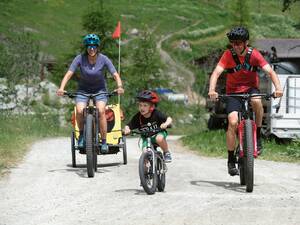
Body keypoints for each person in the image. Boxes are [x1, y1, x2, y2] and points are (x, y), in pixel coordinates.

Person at [208, 26, 283, 176]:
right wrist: (212, 90)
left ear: (246, 43)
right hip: (233, 93)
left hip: (250, 89)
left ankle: (258, 134)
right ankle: (230, 159)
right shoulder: (228, 55)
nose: (236, 46)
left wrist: (278, 88)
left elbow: (270, 71)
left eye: (239, 43)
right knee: (233, 121)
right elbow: (216, 73)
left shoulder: (254, 54)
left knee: (256, 102)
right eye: (233, 43)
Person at [57, 33, 124, 153]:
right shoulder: (80, 58)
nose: (91, 49)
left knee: (101, 111)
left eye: (94, 46)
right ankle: (82, 136)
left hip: (100, 91)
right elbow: (69, 74)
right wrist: (61, 88)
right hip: (83, 90)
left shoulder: (103, 59)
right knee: (79, 110)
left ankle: (103, 141)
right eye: (89, 46)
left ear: (97, 47)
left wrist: (119, 86)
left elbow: (115, 74)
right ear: (86, 48)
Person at [123, 90, 173, 163]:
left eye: (145, 105)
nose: (142, 108)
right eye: (140, 105)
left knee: (159, 139)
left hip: (158, 133)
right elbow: (128, 125)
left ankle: (166, 153)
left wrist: (165, 124)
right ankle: (146, 172)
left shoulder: (156, 113)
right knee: (145, 153)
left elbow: (169, 119)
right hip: (146, 138)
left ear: (152, 107)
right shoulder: (138, 117)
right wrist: (127, 129)